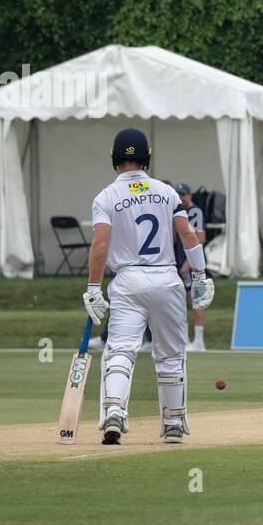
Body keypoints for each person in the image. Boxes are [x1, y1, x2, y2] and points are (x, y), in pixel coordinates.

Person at [84, 129, 214, 445]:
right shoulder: (167, 193)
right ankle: (172, 423)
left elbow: (100, 246)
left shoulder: (106, 197)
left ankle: (114, 411)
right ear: (148, 157)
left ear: (114, 158)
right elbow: (188, 236)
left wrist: (93, 288)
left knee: (120, 352)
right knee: (170, 355)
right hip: (167, 280)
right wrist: (200, 276)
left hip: (128, 282)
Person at [174, 182, 208, 351]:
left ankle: (199, 340)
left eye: (183, 194)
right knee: (185, 301)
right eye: (178, 194)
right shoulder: (180, 212)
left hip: (194, 264)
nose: (181, 197)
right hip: (183, 262)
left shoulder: (195, 212)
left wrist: (188, 264)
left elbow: (199, 239)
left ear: (190, 195)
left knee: (197, 301)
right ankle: (186, 338)